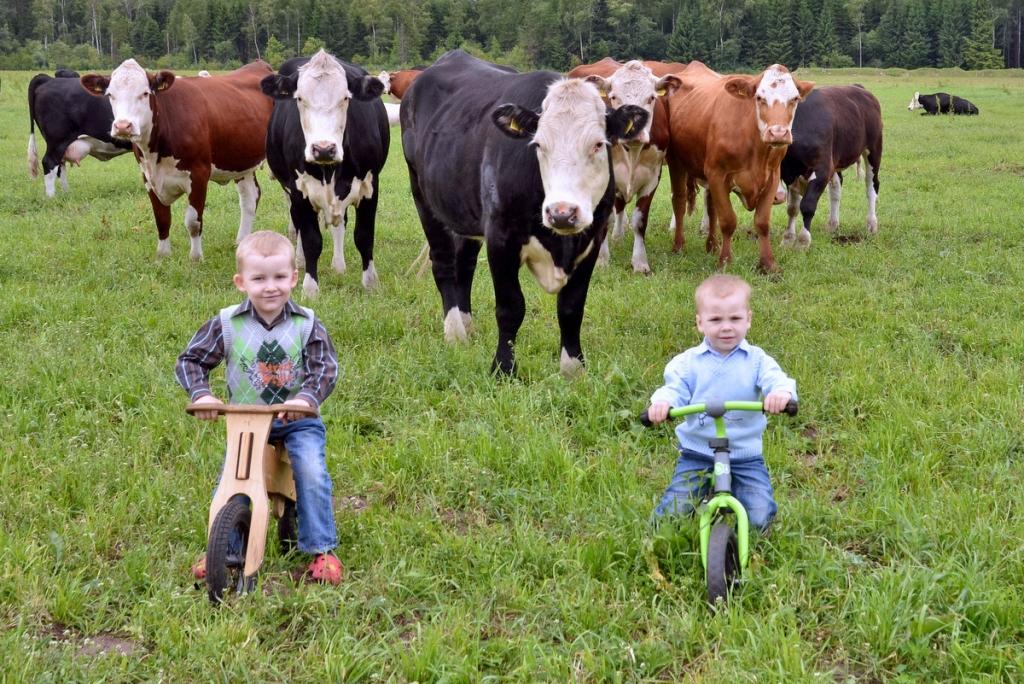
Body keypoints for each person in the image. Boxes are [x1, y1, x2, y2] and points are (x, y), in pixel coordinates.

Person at [176, 230, 343, 584]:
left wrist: (305, 399)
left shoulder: (306, 324)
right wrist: (202, 395)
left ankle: (321, 550)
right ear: (241, 282)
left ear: (294, 278)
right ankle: (223, 546)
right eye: (259, 278)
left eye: (280, 277)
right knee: (233, 479)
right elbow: (191, 360)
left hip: (298, 420)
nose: (271, 287)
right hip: (246, 421)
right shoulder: (228, 323)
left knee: (311, 470)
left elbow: (325, 367)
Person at [645, 274, 796, 531]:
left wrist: (780, 395)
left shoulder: (757, 360)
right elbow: (674, 388)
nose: (726, 327)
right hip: (698, 452)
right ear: (700, 323)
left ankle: (747, 544)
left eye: (735, 319)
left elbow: (776, 379)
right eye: (716, 319)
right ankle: (661, 537)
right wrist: (662, 404)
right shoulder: (688, 363)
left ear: (748, 319)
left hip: (744, 455)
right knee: (671, 517)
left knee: (759, 514)